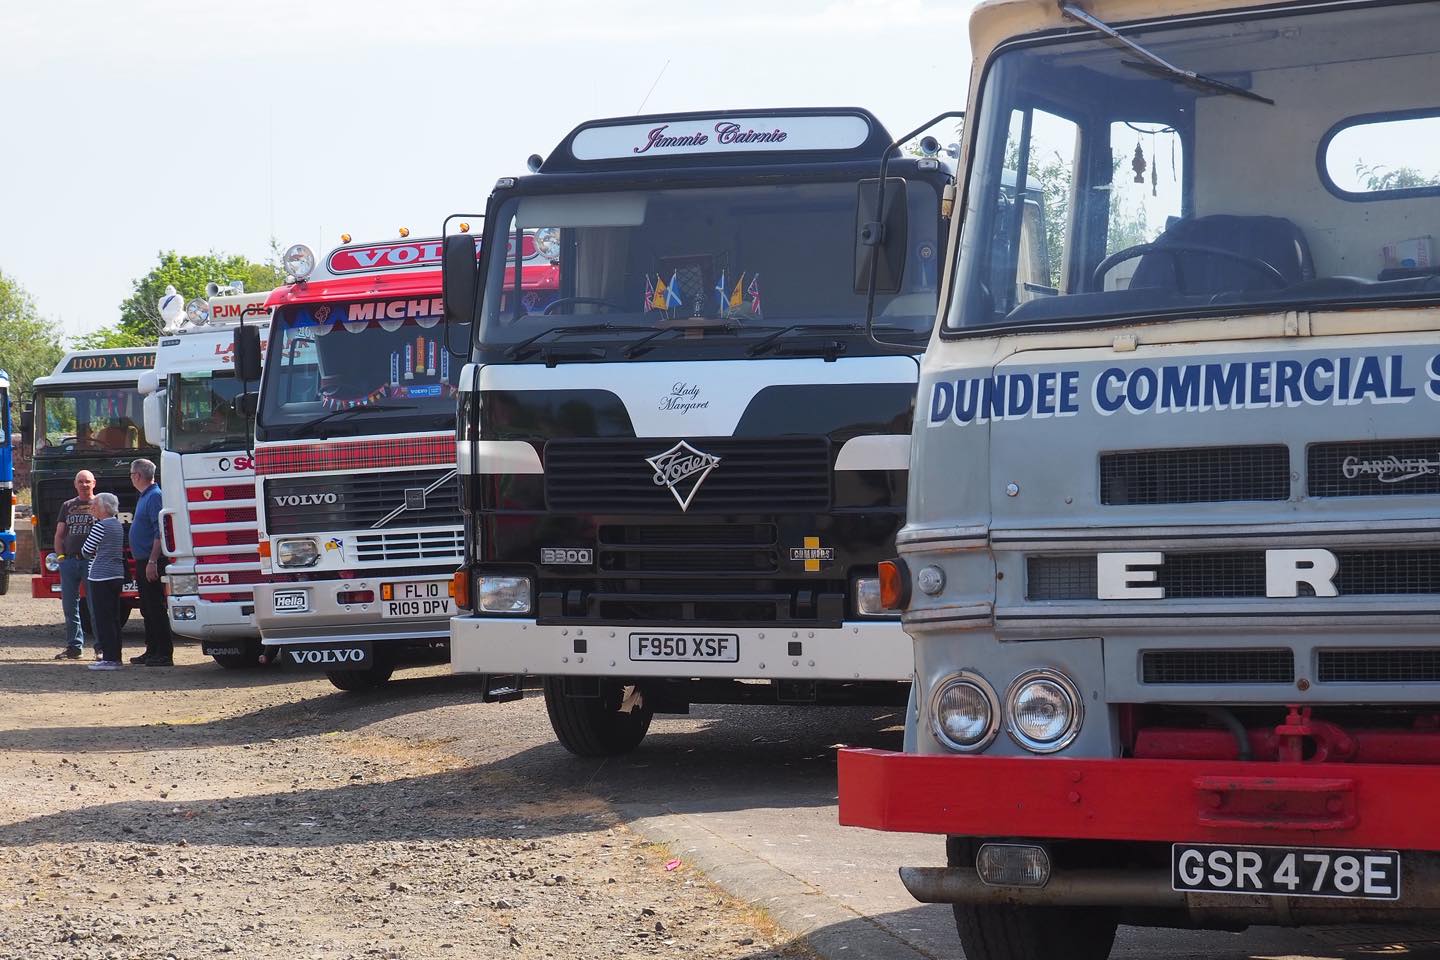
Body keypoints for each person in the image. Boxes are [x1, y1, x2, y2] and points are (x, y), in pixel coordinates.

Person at [129, 458, 173, 666]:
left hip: (151, 560)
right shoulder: (145, 496)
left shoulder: (155, 496)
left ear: (137, 475)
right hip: (143, 560)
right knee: (147, 607)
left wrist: (153, 561)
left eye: (131, 474)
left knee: (155, 607)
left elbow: (160, 531)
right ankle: (152, 649)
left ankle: (164, 653)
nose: (131, 478)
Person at [52, 470, 97, 660]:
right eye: (80, 481)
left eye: (87, 481)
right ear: (75, 484)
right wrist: (61, 558)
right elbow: (59, 534)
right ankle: (74, 647)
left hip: (91, 562)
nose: (84, 485)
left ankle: (100, 648)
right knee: (70, 607)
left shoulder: (100, 504)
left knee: (95, 606)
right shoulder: (67, 506)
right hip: (69, 561)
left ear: (94, 483)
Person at [82, 493, 126, 671]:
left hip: (100, 576)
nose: (92, 508)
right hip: (116, 574)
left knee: (103, 619)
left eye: (95, 505)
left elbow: (86, 550)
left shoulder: (100, 526)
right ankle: (116, 656)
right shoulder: (117, 525)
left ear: (104, 508)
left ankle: (109, 658)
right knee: (114, 618)